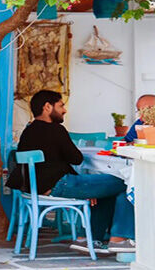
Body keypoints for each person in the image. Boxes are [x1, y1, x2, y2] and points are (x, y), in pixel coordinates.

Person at [12, 90, 135, 254]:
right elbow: (76, 158)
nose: (64, 110)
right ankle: (119, 238)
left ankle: (88, 239)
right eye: (61, 105)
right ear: (47, 107)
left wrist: (91, 190)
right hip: (58, 184)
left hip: (37, 187)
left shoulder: (29, 130)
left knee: (106, 191)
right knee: (125, 182)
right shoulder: (55, 129)